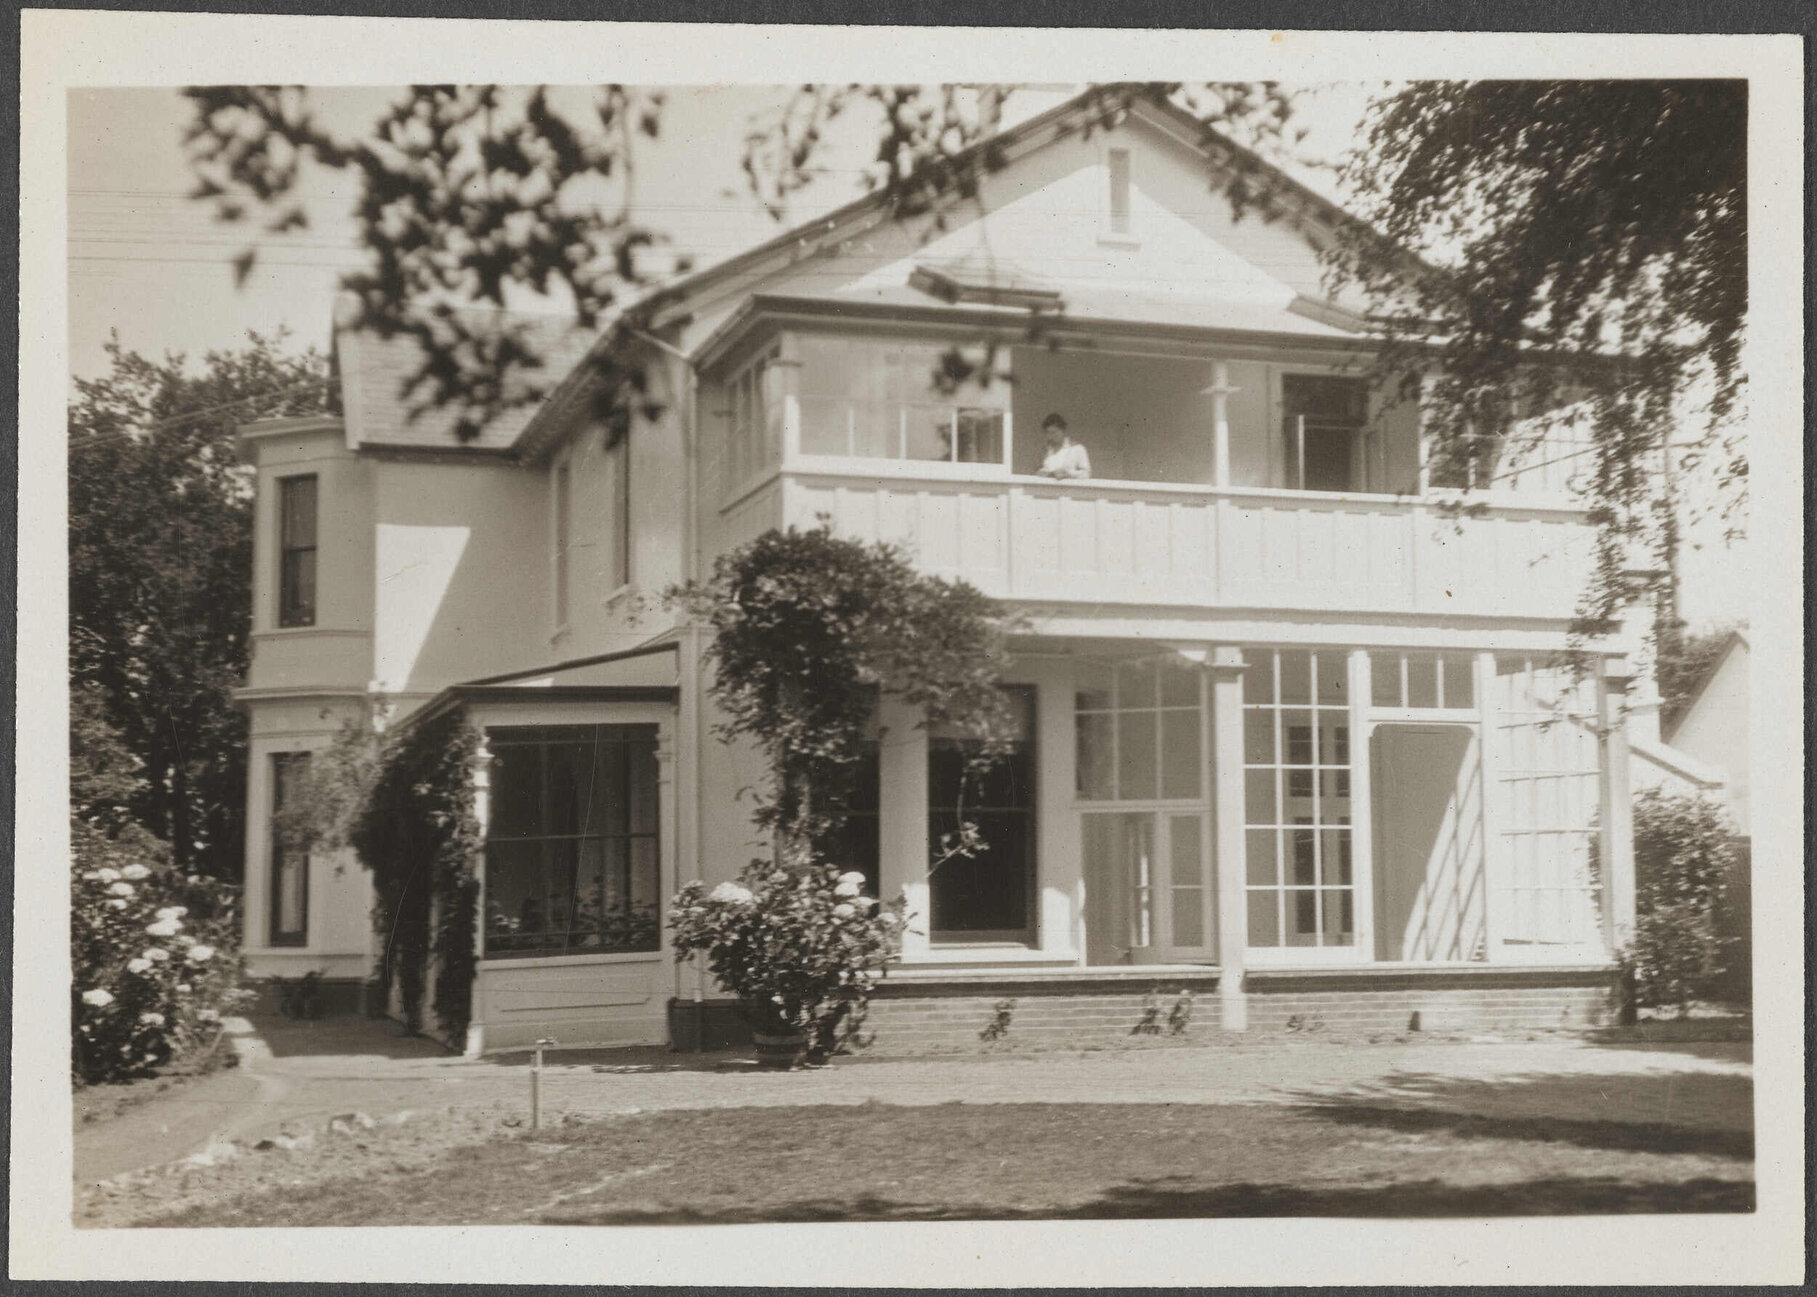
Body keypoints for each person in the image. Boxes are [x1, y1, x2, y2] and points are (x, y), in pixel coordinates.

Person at [1035, 412, 1091, 480]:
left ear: (1063, 430)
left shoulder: (1077, 449)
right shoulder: (1044, 450)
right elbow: (1036, 472)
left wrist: (1069, 474)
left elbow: (1086, 473)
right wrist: (1049, 474)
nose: (1051, 437)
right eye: (1048, 433)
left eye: (1054, 432)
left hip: (1069, 488)